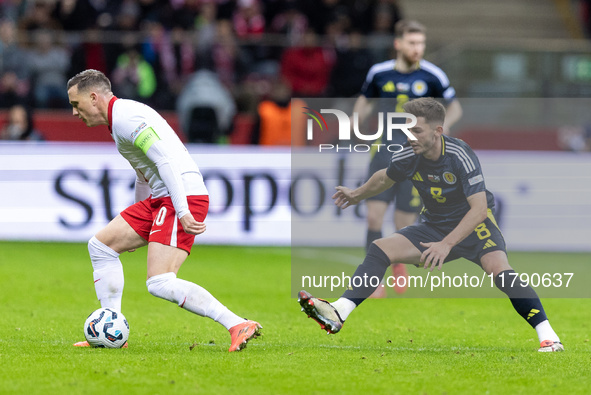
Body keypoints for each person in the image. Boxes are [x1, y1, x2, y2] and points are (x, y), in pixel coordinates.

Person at [298, 98, 563, 353]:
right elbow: (384, 178)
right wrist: (357, 194)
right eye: (407, 129)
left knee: (501, 272)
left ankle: (549, 337)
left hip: (475, 227)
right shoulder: (408, 155)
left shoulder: (459, 154)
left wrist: (447, 244)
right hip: (434, 226)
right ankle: (339, 311)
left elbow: (479, 209)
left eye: (416, 130)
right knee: (380, 249)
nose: (410, 135)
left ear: (438, 131)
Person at [67, 69, 261, 352]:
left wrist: (182, 211)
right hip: (163, 197)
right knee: (101, 246)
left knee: (159, 281)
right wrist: (136, 221)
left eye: (76, 104)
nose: (75, 112)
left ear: (93, 97)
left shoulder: (126, 118)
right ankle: (110, 331)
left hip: (180, 195)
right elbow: (143, 174)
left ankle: (237, 324)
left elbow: (166, 162)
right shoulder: (119, 119)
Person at [354, 20, 462, 296]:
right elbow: (365, 100)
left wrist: (444, 126)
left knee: (404, 223)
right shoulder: (379, 73)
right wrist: (356, 122)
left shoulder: (432, 75)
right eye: (412, 43)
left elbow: (455, 107)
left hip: (418, 158)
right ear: (398, 44)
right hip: (384, 152)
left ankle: (397, 264)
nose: (418, 49)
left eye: (421, 43)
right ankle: (373, 278)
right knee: (373, 219)